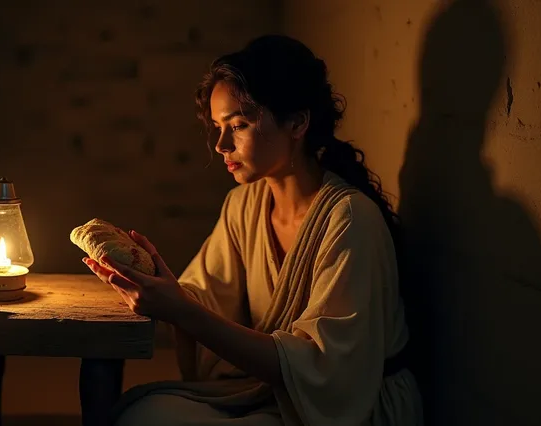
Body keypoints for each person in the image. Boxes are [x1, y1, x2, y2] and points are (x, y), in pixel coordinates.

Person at [83, 34, 424, 426]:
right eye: (217, 126)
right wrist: (152, 281)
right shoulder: (244, 205)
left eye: (239, 124)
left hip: (349, 406)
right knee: (144, 414)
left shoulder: (349, 219)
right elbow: (205, 295)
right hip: (273, 391)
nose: (220, 145)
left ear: (297, 122)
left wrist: (179, 308)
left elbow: (327, 371)